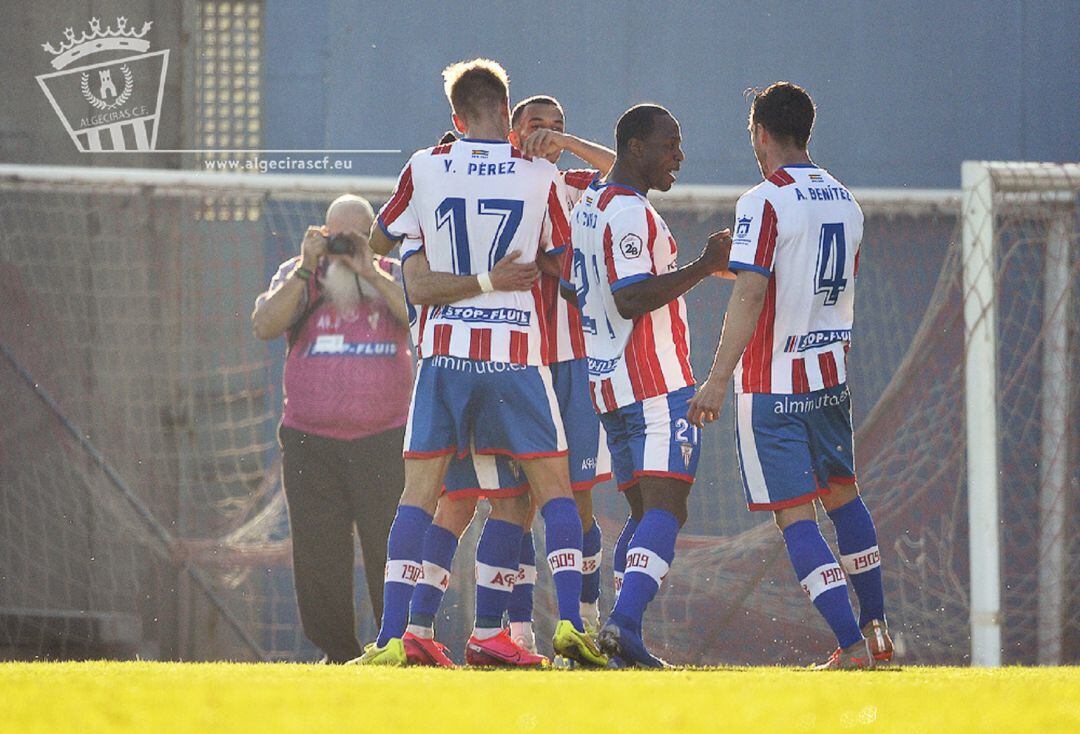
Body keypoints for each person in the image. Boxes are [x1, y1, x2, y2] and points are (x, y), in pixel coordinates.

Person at [358, 58, 606, 668]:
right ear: (506, 110)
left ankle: (393, 636)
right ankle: (571, 624)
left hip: (444, 360)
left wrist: (423, 245)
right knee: (553, 491)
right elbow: (560, 257)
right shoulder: (540, 175)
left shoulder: (423, 166)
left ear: (455, 117)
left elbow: (379, 243)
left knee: (421, 497)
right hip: (517, 356)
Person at [687, 81, 891, 669]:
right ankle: (876, 632)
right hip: (828, 380)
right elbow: (808, 281)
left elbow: (753, 292)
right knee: (844, 497)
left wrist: (719, 378)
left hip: (773, 387)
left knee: (794, 515)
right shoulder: (845, 200)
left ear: (760, 132)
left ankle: (850, 648)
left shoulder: (763, 200)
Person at [570, 104, 732, 667]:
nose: (679, 156)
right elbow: (630, 297)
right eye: (670, 144)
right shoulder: (629, 213)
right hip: (655, 385)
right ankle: (624, 625)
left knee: (644, 515)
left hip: (610, 388)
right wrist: (705, 265)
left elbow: (577, 290)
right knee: (667, 509)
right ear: (635, 149)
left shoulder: (591, 205)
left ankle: (622, 639)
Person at [251, 194, 412, 663]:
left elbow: (418, 318)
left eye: (353, 236)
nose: (342, 246)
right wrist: (306, 267)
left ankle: (395, 643)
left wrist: (371, 272)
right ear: (321, 233)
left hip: (385, 438)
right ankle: (336, 650)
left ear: (371, 235)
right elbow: (264, 324)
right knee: (319, 550)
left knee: (390, 545)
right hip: (310, 440)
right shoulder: (299, 274)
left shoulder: (394, 273)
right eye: (334, 236)